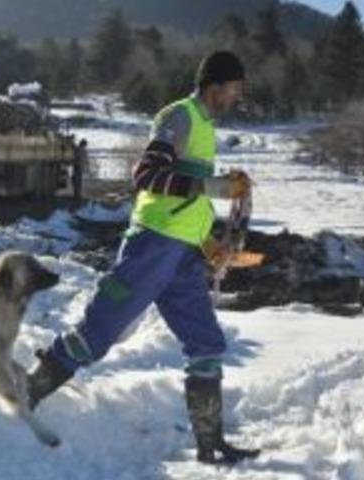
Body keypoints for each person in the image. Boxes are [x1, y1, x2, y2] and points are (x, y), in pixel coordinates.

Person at [27, 51, 259, 464]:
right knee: (97, 333)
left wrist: (210, 246)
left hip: (182, 257)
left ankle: (211, 445)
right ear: (215, 85)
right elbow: (147, 175)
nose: (238, 96)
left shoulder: (205, 127)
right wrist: (213, 187)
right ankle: (24, 396)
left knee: (207, 344)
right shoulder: (181, 116)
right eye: (235, 87)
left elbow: (189, 205)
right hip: (151, 247)